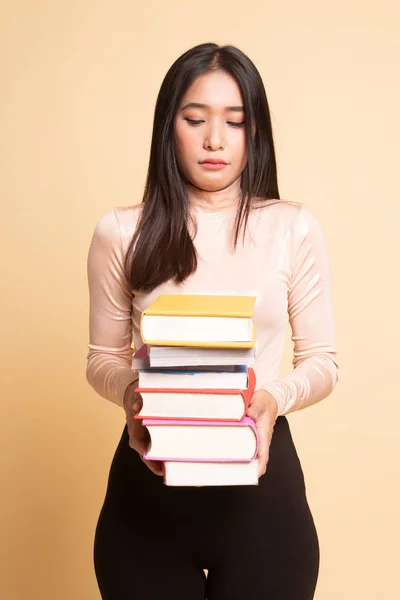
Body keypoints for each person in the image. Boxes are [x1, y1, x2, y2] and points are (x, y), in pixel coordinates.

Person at [86, 42, 339, 600]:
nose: (215, 140)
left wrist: (272, 397)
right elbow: (101, 359)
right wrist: (134, 396)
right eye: (195, 119)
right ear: (168, 127)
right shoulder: (121, 231)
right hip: (148, 486)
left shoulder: (292, 228)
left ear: (256, 132)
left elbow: (323, 361)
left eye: (235, 121)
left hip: (261, 488)